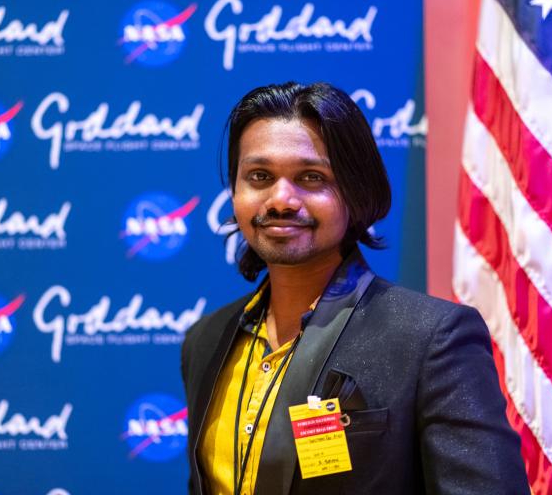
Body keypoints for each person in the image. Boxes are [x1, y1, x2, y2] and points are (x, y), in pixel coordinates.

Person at [180, 82, 529, 495]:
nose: (281, 199)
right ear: (235, 192)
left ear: (355, 191)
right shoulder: (205, 340)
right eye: (259, 176)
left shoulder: (430, 339)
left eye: (311, 177)